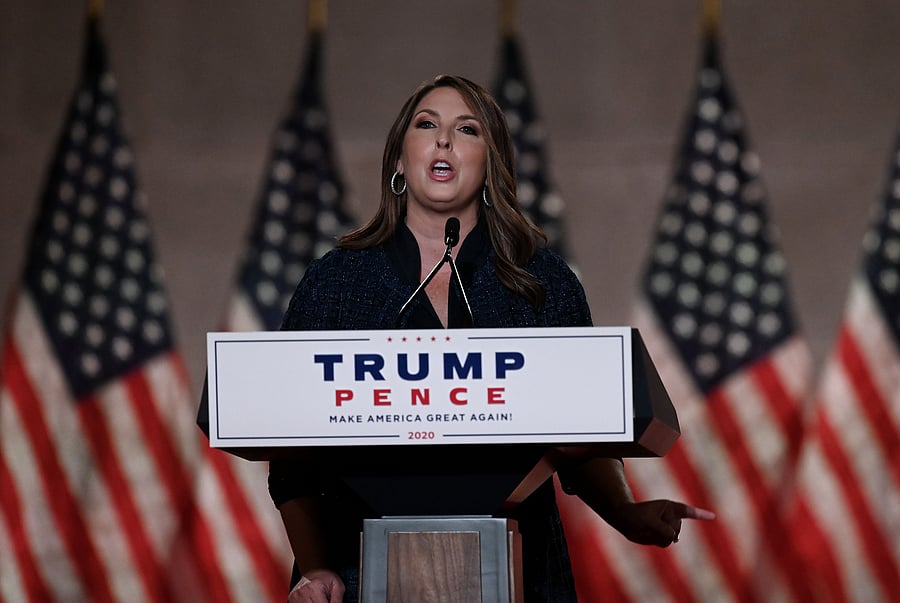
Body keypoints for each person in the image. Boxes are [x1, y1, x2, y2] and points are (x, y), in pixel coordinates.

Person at [268, 74, 715, 603]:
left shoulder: (541, 284)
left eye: (467, 130)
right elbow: (289, 450)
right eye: (426, 125)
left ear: (489, 164)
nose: (443, 140)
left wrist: (624, 512)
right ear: (397, 159)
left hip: (519, 566)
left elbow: (584, 432)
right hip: (356, 568)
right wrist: (316, 569)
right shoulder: (336, 284)